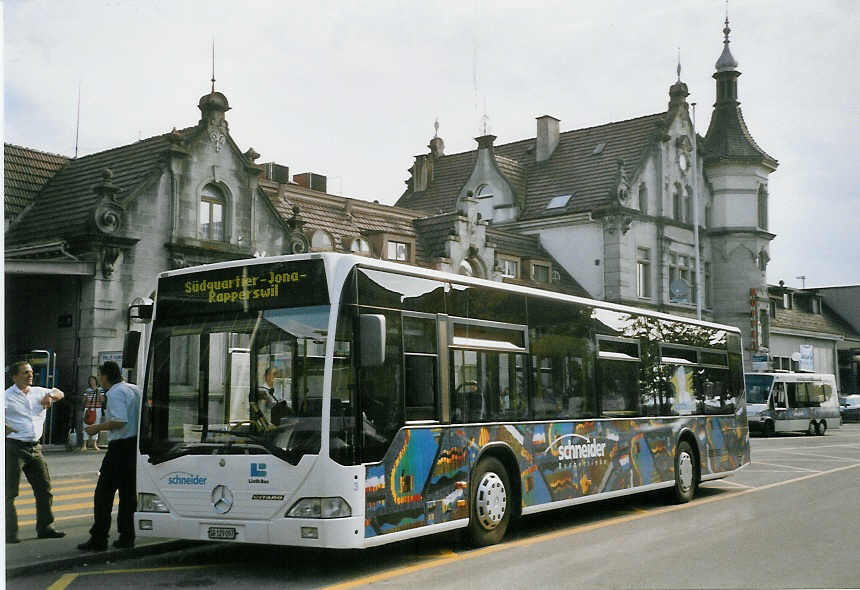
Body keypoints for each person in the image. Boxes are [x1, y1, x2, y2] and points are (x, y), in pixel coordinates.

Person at [77, 361, 140, 551]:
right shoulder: (135, 389)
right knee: (128, 494)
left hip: (119, 447)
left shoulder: (114, 392)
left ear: (104, 376)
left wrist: (97, 427)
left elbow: (119, 421)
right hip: (134, 446)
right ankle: (127, 536)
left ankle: (99, 538)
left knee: (103, 493)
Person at [5, 361, 66, 543]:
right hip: (13, 448)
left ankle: (46, 527)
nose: (30, 375)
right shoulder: (6, 396)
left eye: (30, 372)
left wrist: (52, 396)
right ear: (15, 376)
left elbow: (60, 392)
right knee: (9, 493)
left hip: (35, 447)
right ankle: (9, 533)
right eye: (25, 373)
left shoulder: (39, 391)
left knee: (44, 488)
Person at [82, 376, 105, 450]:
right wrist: (86, 398)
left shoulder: (100, 390)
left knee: (96, 425)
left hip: (97, 408)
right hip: (88, 408)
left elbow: (102, 400)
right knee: (86, 424)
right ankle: (84, 444)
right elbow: (83, 401)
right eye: (90, 380)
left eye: (93, 380)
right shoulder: (87, 390)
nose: (92, 382)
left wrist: (98, 392)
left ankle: (95, 444)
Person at [66, 381, 87, 451]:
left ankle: (73, 444)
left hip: (77, 411)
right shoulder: (69, 393)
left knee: (75, 427)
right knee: (70, 427)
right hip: (72, 412)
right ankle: (70, 444)